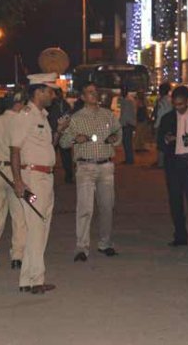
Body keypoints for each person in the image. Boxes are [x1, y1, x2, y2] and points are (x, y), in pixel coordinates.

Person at [9, 73, 68, 295]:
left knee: (39, 226)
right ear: (39, 91)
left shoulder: (42, 116)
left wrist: (59, 131)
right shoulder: (25, 116)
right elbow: (14, 149)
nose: (53, 95)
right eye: (50, 91)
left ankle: (27, 279)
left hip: (45, 178)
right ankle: (36, 280)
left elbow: (49, 146)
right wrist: (18, 181)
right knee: (37, 228)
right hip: (33, 179)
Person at [60, 83, 122, 262]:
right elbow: (63, 142)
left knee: (107, 207)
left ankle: (105, 243)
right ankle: (82, 247)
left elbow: (118, 133)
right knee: (85, 208)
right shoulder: (76, 118)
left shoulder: (108, 115)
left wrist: (114, 138)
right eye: (89, 92)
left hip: (106, 165)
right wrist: (75, 139)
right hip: (86, 166)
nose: (94, 95)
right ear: (82, 97)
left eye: (95, 92)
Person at [0, 91, 27, 269]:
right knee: (19, 216)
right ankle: (17, 256)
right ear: (18, 104)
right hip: (15, 171)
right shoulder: (20, 121)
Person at [158, 86, 188, 247]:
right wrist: (167, 139)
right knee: (175, 200)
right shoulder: (168, 118)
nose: (178, 108)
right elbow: (159, 141)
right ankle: (180, 235)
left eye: (181, 104)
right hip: (174, 162)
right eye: (175, 104)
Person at [48, 88, 74, 183]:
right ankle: (49, 174)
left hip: (63, 133)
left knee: (66, 156)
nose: (59, 95)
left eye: (60, 93)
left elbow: (70, 115)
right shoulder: (50, 105)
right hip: (53, 132)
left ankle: (69, 176)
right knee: (51, 156)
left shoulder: (65, 104)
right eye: (57, 93)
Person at [154, 83, 172, 168]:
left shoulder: (162, 101)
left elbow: (160, 114)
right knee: (166, 145)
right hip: (169, 125)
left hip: (162, 125)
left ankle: (161, 163)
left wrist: (155, 126)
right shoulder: (170, 100)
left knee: (161, 145)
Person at [119, 85, 136, 165]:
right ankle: (129, 159)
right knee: (127, 142)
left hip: (127, 123)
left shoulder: (127, 100)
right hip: (128, 123)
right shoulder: (128, 100)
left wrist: (122, 122)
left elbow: (125, 114)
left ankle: (129, 159)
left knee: (127, 142)